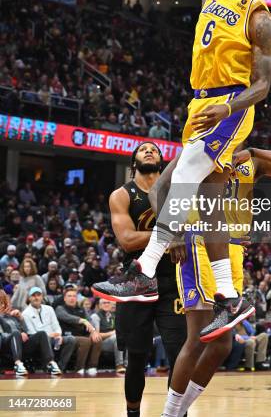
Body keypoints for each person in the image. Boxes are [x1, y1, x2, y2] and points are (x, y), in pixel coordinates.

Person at [93, 0, 271, 344]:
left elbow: (263, 85)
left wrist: (227, 109)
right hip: (200, 103)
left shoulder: (260, 17)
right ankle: (232, 297)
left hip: (231, 104)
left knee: (178, 179)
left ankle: (144, 269)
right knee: (210, 208)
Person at [160, 147, 271, 417]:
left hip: (233, 249)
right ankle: (169, 414)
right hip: (200, 242)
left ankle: (177, 412)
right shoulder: (199, 146)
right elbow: (161, 188)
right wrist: (173, 234)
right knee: (197, 339)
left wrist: (253, 151)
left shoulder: (251, 159)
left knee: (222, 345)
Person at [93, 143, 187, 417]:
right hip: (136, 283)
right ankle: (133, 413)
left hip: (174, 281)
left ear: (162, 160)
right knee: (135, 358)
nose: (148, 151)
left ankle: (176, 414)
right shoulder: (121, 195)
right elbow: (127, 240)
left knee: (180, 357)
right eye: (143, 149)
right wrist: (171, 235)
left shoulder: (176, 192)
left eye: (154, 150)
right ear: (133, 159)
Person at [0, 289, 60, 376]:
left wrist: (21, 319)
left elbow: (26, 331)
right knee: (16, 333)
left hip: (20, 344)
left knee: (42, 334)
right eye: (0, 302)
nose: (2, 305)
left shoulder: (12, 316)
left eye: (3, 302)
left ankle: (50, 363)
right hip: (7, 346)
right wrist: (18, 334)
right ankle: (18, 364)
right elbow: (2, 335)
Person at [22, 286, 76, 372]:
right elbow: (32, 333)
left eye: (38, 295)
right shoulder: (25, 313)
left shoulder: (49, 309)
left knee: (71, 339)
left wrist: (58, 335)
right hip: (40, 340)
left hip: (54, 337)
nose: (36, 297)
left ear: (42, 297)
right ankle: (48, 365)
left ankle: (60, 367)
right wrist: (49, 336)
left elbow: (56, 325)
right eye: (33, 295)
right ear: (29, 298)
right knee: (44, 336)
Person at [55, 287, 102, 375]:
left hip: (81, 336)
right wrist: (82, 320)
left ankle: (92, 367)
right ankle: (79, 368)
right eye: (69, 296)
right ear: (65, 298)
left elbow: (90, 321)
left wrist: (94, 332)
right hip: (66, 336)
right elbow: (67, 318)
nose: (72, 298)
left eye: (74, 296)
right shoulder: (60, 308)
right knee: (85, 341)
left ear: (76, 298)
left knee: (97, 339)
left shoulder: (82, 309)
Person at [91, 299, 126, 374]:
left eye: (108, 303)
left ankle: (128, 364)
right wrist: (112, 333)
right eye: (104, 303)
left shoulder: (113, 315)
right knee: (117, 338)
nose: (106, 304)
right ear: (100, 305)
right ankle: (119, 365)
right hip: (100, 343)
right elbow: (97, 335)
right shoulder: (95, 316)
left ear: (111, 305)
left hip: (113, 341)